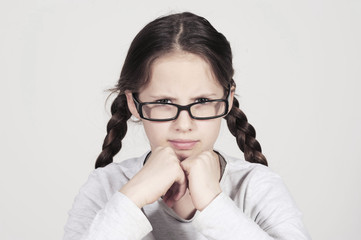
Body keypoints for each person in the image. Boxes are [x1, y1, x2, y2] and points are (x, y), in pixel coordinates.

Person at [63, 12, 311, 240]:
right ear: (133, 102)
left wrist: (213, 203)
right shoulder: (106, 186)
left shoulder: (256, 186)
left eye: (202, 101)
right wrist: (132, 198)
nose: (184, 125)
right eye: (163, 102)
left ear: (227, 99)